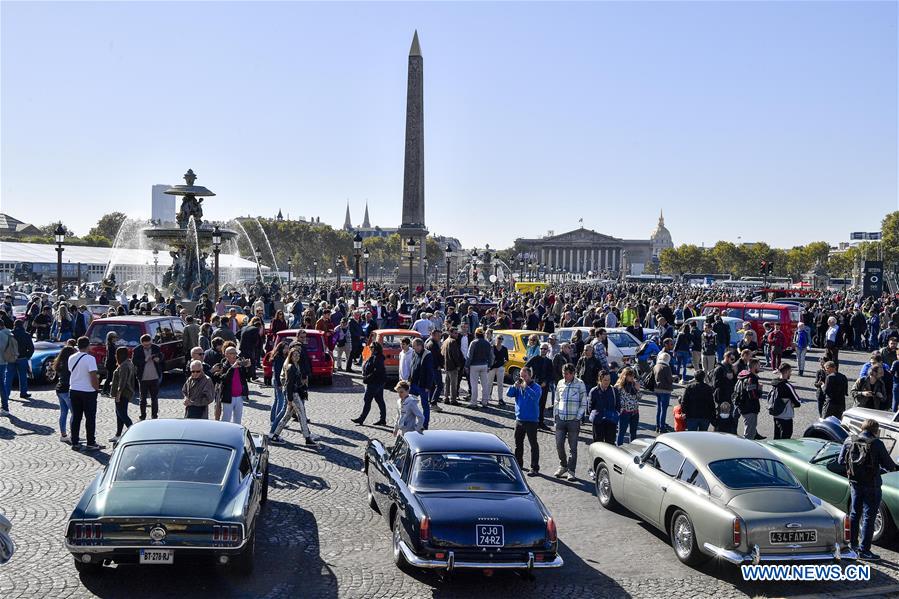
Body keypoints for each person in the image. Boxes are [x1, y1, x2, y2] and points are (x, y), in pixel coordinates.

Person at [839, 419, 899, 560]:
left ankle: (853, 545)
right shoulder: (877, 443)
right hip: (872, 485)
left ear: (862, 428)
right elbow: (889, 465)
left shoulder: (849, 440)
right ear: (875, 430)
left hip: (854, 483)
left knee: (854, 514)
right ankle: (864, 550)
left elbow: (840, 461)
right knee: (868, 517)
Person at [271, 346, 317, 447]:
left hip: (295, 393)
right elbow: (289, 384)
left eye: (298, 355)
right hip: (293, 395)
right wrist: (290, 399)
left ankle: (275, 435)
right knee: (302, 415)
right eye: (294, 355)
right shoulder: (291, 367)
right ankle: (307, 438)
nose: (297, 357)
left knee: (287, 416)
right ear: (290, 356)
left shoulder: (297, 365)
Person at [553, 363, 588, 481]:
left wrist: (578, 417)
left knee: (573, 447)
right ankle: (563, 465)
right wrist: (556, 415)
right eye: (563, 373)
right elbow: (556, 400)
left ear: (573, 373)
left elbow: (584, 402)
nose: (565, 376)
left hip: (573, 420)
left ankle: (571, 471)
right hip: (561, 419)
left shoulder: (580, 384)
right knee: (559, 445)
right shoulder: (560, 383)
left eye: (567, 374)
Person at [68, 336, 102, 451]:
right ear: (88, 346)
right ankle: (91, 442)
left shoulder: (71, 357)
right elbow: (93, 376)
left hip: (74, 390)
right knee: (90, 418)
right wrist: (96, 388)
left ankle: (75, 442)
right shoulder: (90, 359)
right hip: (88, 391)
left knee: (76, 417)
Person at [506, 366, 541, 476]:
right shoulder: (518, 386)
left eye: (524, 376)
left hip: (531, 420)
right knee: (518, 443)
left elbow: (535, 397)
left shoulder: (536, 387)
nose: (522, 378)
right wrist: (513, 386)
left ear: (530, 376)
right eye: (521, 376)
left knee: (533, 444)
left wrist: (526, 387)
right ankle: (518, 464)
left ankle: (534, 467)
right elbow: (508, 394)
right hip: (519, 419)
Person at [212, 347, 252, 424]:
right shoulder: (222, 366)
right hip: (228, 397)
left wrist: (248, 367)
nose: (234, 355)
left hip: (239, 396)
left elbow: (247, 377)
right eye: (231, 353)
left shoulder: (239, 365)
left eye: (235, 353)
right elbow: (223, 379)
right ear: (226, 355)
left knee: (238, 419)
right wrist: (232, 368)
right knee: (226, 419)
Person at [353, 341, 387, 426]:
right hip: (377, 382)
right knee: (379, 400)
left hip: (374, 383)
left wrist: (367, 378)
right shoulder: (376, 356)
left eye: (371, 347)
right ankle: (382, 419)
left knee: (367, 400)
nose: (370, 348)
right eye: (370, 347)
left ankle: (361, 419)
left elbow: (377, 371)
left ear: (376, 349)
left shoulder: (377, 358)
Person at [108, 346, 136, 441]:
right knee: (119, 414)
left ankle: (133, 431)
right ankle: (118, 435)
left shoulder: (124, 365)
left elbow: (122, 381)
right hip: (126, 392)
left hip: (123, 393)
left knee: (122, 414)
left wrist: (118, 394)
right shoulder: (129, 363)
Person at [132, 334, 163, 420]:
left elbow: (161, 357)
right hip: (143, 378)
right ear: (141, 343)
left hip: (154, 377)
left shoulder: (156, 348)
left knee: (154, 398)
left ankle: (154, 415)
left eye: (149, 344)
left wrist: (158, 359)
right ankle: (143, 415)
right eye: (145, 345)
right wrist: (145, 360)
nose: (148, 346)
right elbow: (134, 362)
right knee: (143, 399)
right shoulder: (137, 350)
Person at [525, 342, 554, 430]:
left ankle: (540, 422)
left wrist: (546, 382)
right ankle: (532, 422)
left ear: (547, 350)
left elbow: (551, 374)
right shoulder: (535, 358)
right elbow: (526, 367)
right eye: (542, 349)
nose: (543, 350)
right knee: (533, 404)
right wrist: (529, 379)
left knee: (542, 404)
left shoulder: (549, 361)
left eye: (545, 349)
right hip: (535, 383)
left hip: (544, 385)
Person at [734, 358, 764, 441]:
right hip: (749, 408)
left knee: (750, 431)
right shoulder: (751, 378)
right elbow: (753, 395)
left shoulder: (743, 375)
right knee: (749, 434)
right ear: (754, 366)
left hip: (744, 406)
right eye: (759, 365)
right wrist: (760, 389)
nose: (760, 366)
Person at [768, 363, 801, 439]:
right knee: (785, 438)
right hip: (785, 416)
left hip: (776, 414)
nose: (791, 374)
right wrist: (794, 404)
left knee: (776, 437)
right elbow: (797, 402)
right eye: (790, 372)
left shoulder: (774, 384)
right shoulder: (787, 386)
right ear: (786, 372)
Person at [409, 337, 436, 427]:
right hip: (414, 384)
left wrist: (428, 386)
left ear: (420, 346)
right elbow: (412, 366)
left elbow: (430, 372)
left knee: (425, 406)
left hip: (423, 385)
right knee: (410, 403)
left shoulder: (427, 355)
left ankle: (424, 424)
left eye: (414, 346)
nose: (413, 348)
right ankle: (411, 422)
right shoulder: (414, 353)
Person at [53, 345, 77, 442]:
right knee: (74, 413)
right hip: (67, 390)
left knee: (63, 413)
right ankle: (73, 435)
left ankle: (63, 435)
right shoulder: (70, 364)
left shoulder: (59, 363)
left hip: (59, 389)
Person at [588, 370, 618, 449]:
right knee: (598, 444)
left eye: (609, 380)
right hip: (598, 421)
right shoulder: (593, 391)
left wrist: (616, 413)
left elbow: (618, 404)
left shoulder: (614, 390)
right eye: (605, 380)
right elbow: (590, 408)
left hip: (611, 421)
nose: (607, 382)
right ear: (600, 380)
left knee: (610, 445)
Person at [6, 320, 33, 400]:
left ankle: (6, 394)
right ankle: (23, 393)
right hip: (22, 358)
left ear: (14, 325)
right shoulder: (26, 335)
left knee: (8, 376)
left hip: (11, 358)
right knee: (23, 376)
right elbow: (31, 348)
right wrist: (27, 356)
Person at [466, 328, 492, 408]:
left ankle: (474, 402)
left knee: (474, 385)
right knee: (485, 384)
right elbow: (491, 356)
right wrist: (489, 365)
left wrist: (467, 365)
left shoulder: (473, 343)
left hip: (474, 365)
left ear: (476, 334)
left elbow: (469, 356)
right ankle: (485, 401)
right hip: (484, 365)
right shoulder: (487, 343)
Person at [615, 367, 641, 446]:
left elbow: (639, 397)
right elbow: (616, 400)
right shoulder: (618, 386)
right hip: (624, 412)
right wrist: (621, 409)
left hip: (635, 412)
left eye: (633, 375)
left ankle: (632, 449)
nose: (632, 377)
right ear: (624, 376)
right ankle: (619, 449)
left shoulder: (634, 384)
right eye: (630, 375)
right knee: (622, 432)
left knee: (633, 433)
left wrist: (638, 389)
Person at [441, 328, 464, 406]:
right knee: (453, 384)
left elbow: (442, 353)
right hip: (453, 366)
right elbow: (455, 355)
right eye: (455, 333)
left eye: (457, 333)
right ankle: (453, 400)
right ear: (450, 333)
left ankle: (446, 398)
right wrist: (458, 365)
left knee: (447, 383)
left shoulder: (445, 341)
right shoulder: (453, 341)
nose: (457, 334)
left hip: (446, 365)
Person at [653, 352, 674, 433]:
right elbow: (669, 380)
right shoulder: (666, 367)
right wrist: (674, 378)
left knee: (659, 408)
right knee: (664, 409)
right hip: (665, 390)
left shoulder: (656, 366)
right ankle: (662, 427)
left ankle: (658, 426)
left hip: (657, 389)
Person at [489, 334, 508, 406]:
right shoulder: (492, 347)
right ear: (496, 339)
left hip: (500, 367)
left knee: (500, 384)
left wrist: (504, 365)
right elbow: (489, 357)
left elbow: (506, 359)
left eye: (501, 339)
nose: (500, 340)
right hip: (492, 367)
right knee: (489, 383)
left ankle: (500, 399)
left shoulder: (504, 348)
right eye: (499, 338)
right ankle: (487, 398)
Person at [100, 331, 118, 396]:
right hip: (111, 364)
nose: (116, 338)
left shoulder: (111, 345)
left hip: (110, 363)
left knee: (110, 378)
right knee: (109, 378)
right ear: (111, 338)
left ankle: (106, 390)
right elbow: (111, 356)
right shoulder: (111, 346)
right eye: (115, 337)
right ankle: (104, 390)